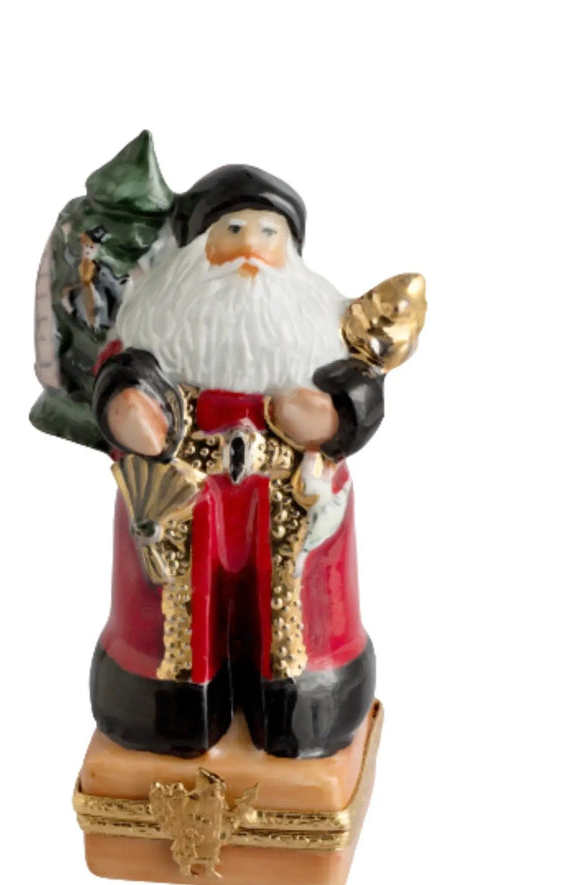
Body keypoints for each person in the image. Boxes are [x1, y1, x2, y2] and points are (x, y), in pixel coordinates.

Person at [90, 165, 385, 759]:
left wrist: (336, 415)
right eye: (233, 230)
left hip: (288, 492)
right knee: (171, 614)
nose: (251, 248)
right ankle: (163, 702)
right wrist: (129, 406)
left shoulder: (320, 321)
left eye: (268, 233)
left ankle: (309, 700)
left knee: (298, 614)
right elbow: (120, 371)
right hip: (182, 490)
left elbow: (362, 386)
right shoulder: (159, 317)